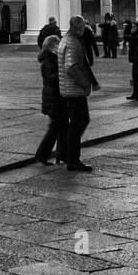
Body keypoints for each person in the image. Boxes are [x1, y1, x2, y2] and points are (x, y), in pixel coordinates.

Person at [57, 16, 96, 171]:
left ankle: (68, 155)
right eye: (83, 27)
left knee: (75, 124)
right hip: (75, 90)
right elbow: (71, 67)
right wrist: (85, 83)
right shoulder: (72, 43)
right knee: (79, 123)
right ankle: (72, 159)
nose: (84, 30)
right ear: (77, 27)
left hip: (69, 89)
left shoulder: (66, 39)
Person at [35, 34, 68, 165]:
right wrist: (63, 71)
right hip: (53, 98)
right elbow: (52, 78)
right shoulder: (49, 60)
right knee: (55, 128)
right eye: (57, 44)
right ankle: (42, 154)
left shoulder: (53, 59)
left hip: (56, 97)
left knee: (62, 127)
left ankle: (62, 155)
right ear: (51, 46)